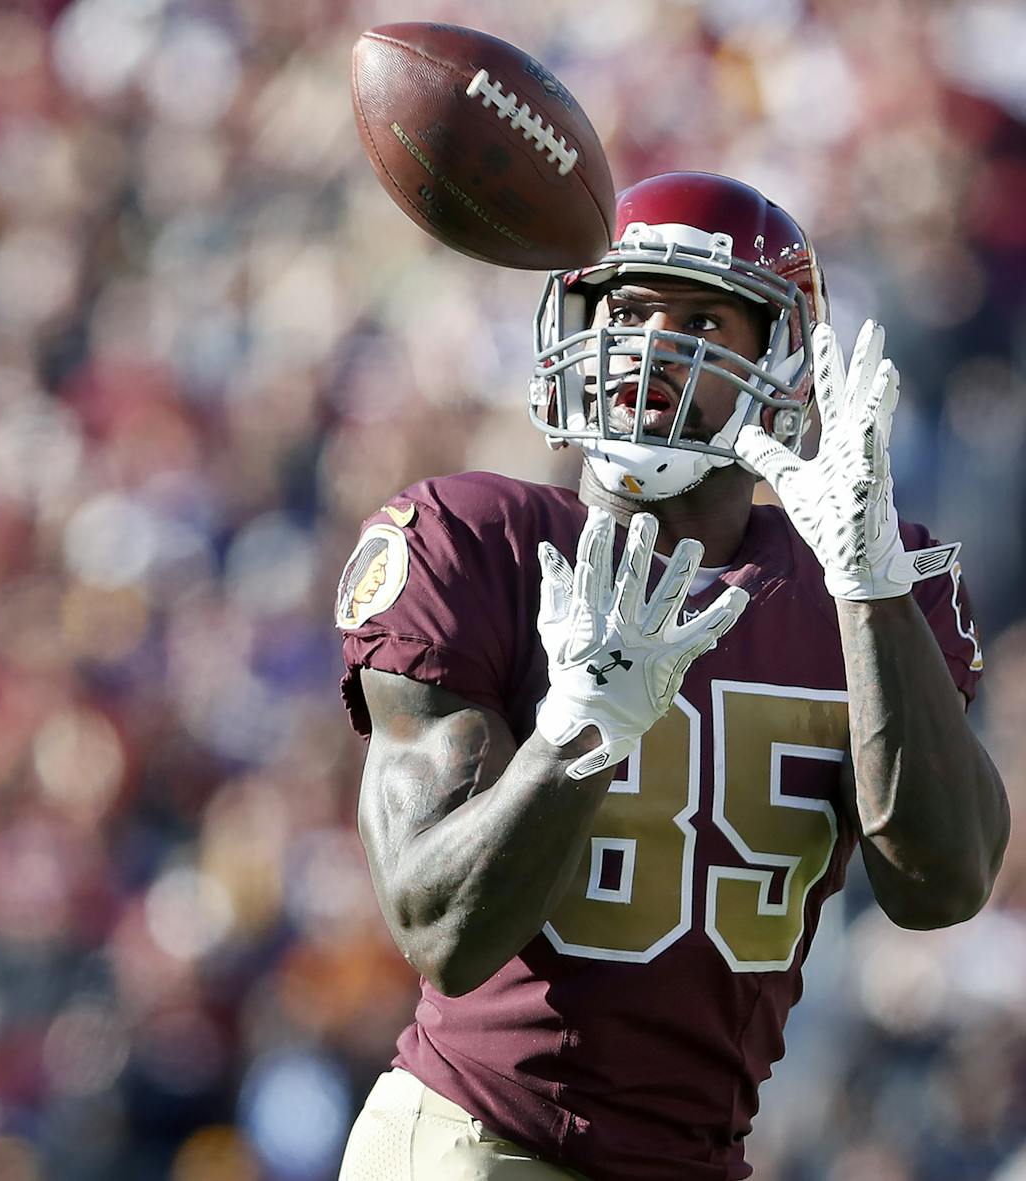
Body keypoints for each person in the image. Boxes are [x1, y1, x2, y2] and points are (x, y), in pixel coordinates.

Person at [333, 171, 1008, 1181]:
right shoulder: (478, 544)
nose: (649, 345)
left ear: (781, 364)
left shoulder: (860, 581)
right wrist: (575, 732)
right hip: (484, 1138)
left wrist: (870, 587)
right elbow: (441, 929)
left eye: (702, 320)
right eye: (631, 309)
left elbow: (943, 886)